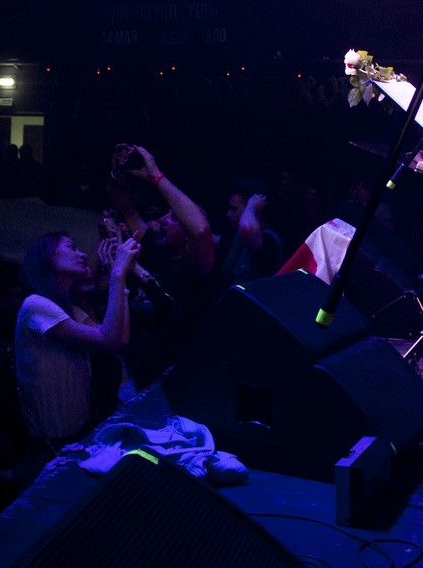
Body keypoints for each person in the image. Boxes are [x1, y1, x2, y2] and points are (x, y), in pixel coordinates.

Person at [14, 232, 138, 469]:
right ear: (47, 256)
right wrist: (116, 275)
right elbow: (107, 339)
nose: (82, 254)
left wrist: (121, 284)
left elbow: (119, 339)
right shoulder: (35, 304)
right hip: (50, 447)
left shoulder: (69, 310)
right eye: (72, 247)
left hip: (78, 436)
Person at [108, 143, 216, 389]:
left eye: (174, 218)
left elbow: (200, 229)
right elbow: (126, 208)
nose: (163, 220)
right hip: (135, 376)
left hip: (173, 383)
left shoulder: (196, 268)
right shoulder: (158, 250)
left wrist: (156, 176)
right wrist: (118, 173)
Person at [215, 178, 283, 289]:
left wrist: (251, 206)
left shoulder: (269, 240)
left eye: (234, 209)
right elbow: (214, 240)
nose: (228, 214)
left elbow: (246, 228)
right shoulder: (237, 238)